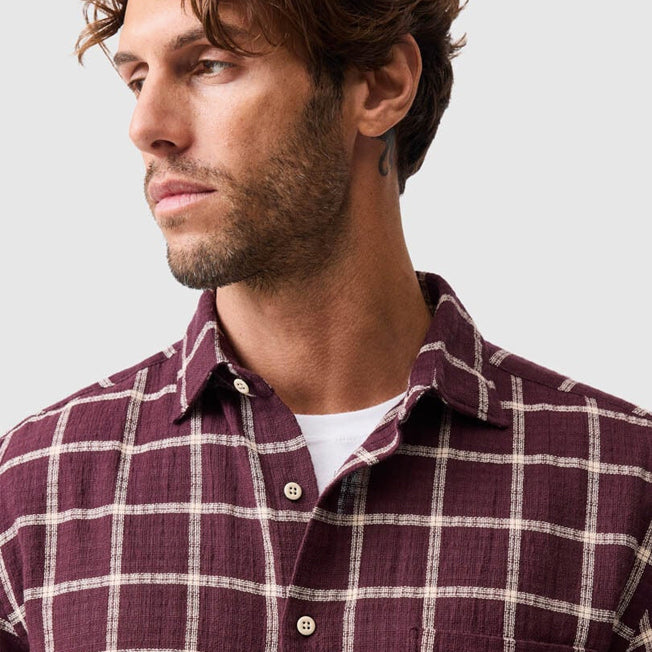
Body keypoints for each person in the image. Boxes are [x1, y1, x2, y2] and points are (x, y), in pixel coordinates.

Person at [0, 0, 649, 650]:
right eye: (138, 79)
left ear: (381, 84)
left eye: (209, 65)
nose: (147, 127)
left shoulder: (622, 488)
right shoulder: (33, 490)